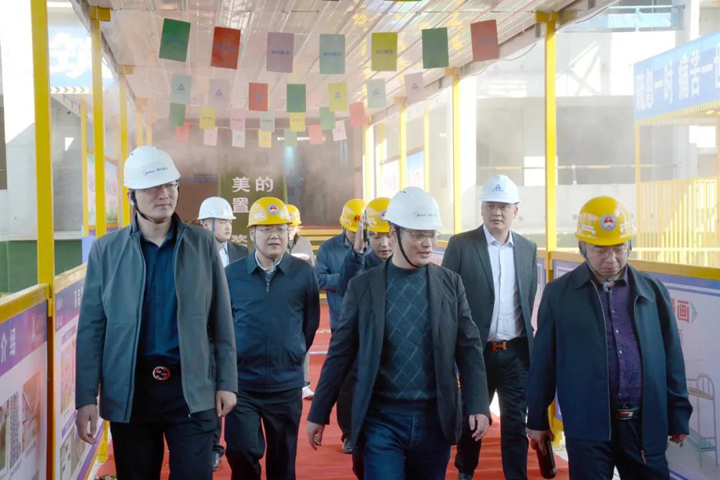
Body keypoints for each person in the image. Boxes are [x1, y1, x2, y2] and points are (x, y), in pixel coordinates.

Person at [75, 146, 237, 480]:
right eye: (152, 187)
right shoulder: (107, 251)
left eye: (170, 185)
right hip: (131, 392)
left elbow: (221, 320)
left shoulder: (202, 244)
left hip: (191, 389)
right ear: (132, 196)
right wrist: (85, 397)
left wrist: (227, 382)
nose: (164, 194)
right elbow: (92, 328)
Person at [307, 187, 491, 480]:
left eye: (432, 234)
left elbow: (468, 348)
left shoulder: (450, 284)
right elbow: (340, 354)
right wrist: (319, 412)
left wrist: (479, 404)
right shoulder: (363, 287)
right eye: (418, 235)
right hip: (381, 422)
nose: (428, 243)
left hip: (435, 420)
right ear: (394, 234)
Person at [526, 196, 693, 479]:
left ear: (630, 246)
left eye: (619, 248)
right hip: (587, 425)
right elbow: (544, 362)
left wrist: (678, 415)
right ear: (582, 247)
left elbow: (672, 358)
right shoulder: (559, 294)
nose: (611, 259)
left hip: (643, 426)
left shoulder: (652, 292)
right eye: (600, 250)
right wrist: (537, 418)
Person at [442, 175, 538, 480]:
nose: (497, 212)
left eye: (504, 206)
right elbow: (446, 299)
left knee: (515, 423)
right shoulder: (461, 245)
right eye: (491, 205)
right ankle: (465, 471)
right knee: (471, 418)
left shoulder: (527, 248)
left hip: (515, 352)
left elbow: (527, 297)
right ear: (482, 208)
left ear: (515, 211)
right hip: (476, 353)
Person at [224, 197, 320, 480]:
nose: (274, 235)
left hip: (285, 384)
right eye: (266, 229)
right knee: (241, 452)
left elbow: (310, 324)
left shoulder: (303, 274)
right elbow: (221, 325)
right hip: (242, 385)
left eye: (280, 228)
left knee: (283, 460)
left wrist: (292, 352)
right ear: (252, 233)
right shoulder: (232, 275)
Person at [198, 196, 248, 471]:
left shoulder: (242, 253)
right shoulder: (193, 253)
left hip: (236, 334)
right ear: (206, 223)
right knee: (210, 393)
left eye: (230, 221)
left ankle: (234, 444)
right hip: (204, 336)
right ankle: (212, 447)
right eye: (223, 221)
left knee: (232, 388)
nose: (229, 226)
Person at [315, 198, 365, 453]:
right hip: (341, 322)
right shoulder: (328, 248)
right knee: (345, 380)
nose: (358, 236)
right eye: (353, 231)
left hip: (370, 322)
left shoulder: (374, 246)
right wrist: (347, 279)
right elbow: (318, 279)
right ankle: (348, 433)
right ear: (344, 226)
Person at [286, 204, 316, 400]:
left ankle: (304, 383)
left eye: (293, 226)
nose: (290, 229)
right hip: (282, 299)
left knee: (304, 340)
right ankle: (288, 382)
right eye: (287, 225)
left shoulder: (305, 243)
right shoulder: (275, 242)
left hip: (302, 298)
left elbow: (313, 270)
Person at [337, 197, 393, 296]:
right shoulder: (359, 265)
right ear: (367, 236)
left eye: (389, 236)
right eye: (376, 237)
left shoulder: (410, 265)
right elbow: (345, 290)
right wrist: (357, 251)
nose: (384, 244)